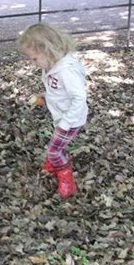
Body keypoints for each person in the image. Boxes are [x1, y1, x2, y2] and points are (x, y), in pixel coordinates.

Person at [18, 22, 88, 199]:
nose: (33, 63)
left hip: (71, 120)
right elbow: (58, 90)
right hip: (62, 116)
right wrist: (47, 96)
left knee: (54, 150)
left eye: (34, 59)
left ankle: (67, 180)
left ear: (47, 50)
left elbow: (79, 98)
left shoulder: (66, 71)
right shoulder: (51, 66)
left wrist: (66, 123)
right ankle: (53, 164)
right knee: (57, 145)